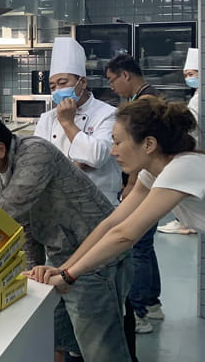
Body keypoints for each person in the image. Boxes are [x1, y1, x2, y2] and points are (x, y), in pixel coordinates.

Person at [0, 115, 130, 362]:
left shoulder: (36, 153)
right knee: (59, 338)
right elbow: (23, 223)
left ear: (0, 149)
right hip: (59, 258)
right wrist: (30, 274)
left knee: (100, 349)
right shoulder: (0, 171)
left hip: (94, 258)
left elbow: (8, 210)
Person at [33, 98, 205, 342]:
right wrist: (64, 268)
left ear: (148, 144)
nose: (113, 151)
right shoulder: (152, 172)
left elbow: (125, 235)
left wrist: (70, 276)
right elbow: (111, 223)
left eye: (117, 142)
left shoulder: (181, 167)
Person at [105, 53, 164, 332]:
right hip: (149, 181)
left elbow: (142, 154)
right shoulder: (147, 96)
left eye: (112, 80)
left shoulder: (144, 103)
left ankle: (139, 311)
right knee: (146, 245)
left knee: (138, 246)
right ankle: (151, 303)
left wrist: (130, 185)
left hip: (144, 183)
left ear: (125, 75)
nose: (112, 86)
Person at [36, 37, 122, 204]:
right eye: (52, 87)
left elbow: (96, 157)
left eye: (63, 83)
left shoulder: (108, 114)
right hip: (58, 201)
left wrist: (67, 123)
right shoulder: (47, 119)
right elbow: (38, 160)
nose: (58, 90)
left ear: (82, 82)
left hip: (99, 202)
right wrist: (78, 164)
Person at [159, 48, 200, 235]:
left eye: (191, 74)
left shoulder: (198, 100)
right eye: (186, 75)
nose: (188, 79)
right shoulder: (197, 96)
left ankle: (183, 222)